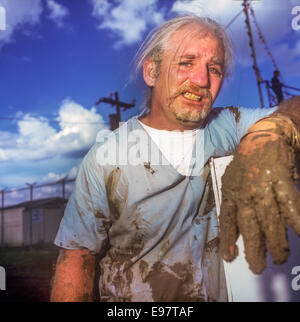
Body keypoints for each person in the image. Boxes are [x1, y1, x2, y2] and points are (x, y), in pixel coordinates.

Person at [50, 15, 300, 302]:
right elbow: (78, 255)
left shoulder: (231, 125)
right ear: (152, 72)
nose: (201, 80)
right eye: (186, 63)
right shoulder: (106, 157)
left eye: (214, 69)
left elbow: (293, 107)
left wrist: (272, 131)